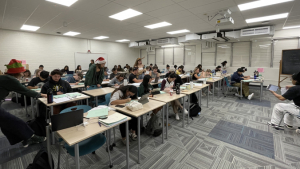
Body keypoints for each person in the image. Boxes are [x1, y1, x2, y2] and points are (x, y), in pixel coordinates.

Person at [0, 59, 47, 147]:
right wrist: (41, 95)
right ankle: (31, 137)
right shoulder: (10, 79)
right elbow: (25, 91)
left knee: (5, 125)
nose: (23, 74)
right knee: (14, 121)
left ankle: (24, 138)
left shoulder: (5, 77)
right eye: (21, 72)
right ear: (16, 72)